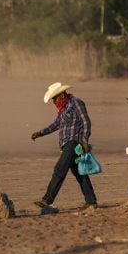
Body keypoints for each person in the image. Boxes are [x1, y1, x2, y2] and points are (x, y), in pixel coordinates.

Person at [31, 82, 98, 213]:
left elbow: (86, 122)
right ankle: (91, 201)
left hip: (74, 143)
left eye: (55, 98)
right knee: (80, 173)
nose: (54, 101)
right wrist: (41, 133)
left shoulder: (76, 102)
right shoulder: (63, 108)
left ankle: (47, 199)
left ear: (62, 95)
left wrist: (84, 141)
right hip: (67, 144)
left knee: (59, 169)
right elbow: (56, 124)